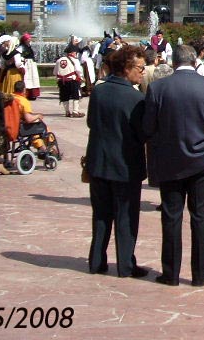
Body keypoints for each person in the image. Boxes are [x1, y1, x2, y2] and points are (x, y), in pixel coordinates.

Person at [143, 45, 204, 287]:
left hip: (170, 160)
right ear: (194, 61)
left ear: (173, 62)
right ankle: (200, 274)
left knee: (171, 216)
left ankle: (170, 274)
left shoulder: (158, 87)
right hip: (203, 160)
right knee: (201, 218)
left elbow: (148, 127)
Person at [86, 45, 148, 279]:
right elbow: (143, 133)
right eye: (140, 68)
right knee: (125, 216)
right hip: (125, 166)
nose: (142, 72)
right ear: (127, 68)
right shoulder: (135, 98)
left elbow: (91, 122)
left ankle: (96, 261)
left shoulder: (99, 92)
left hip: (99, 162)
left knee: (101, 215)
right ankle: (125, 265)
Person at [56, 44, 86, 117]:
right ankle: (75, 111)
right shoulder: (75, 60)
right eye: (76, 53)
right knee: (76, 95)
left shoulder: (59, 60)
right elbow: (78, 71)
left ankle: (67, 112)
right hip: (72, 81)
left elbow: (55, 72)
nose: (76, 54)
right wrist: (82, 77)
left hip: (61, 81)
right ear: (72, 53)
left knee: (64, 96)